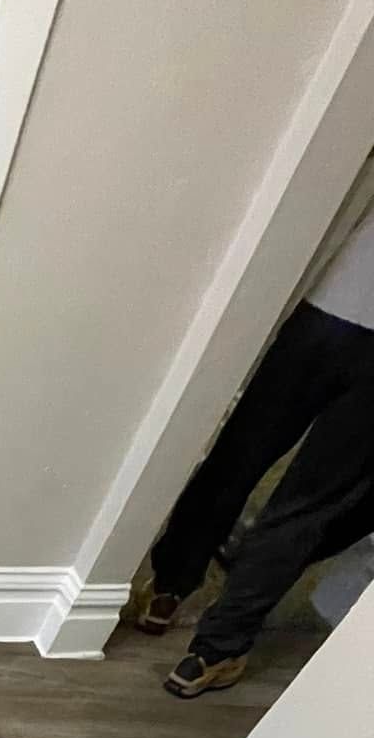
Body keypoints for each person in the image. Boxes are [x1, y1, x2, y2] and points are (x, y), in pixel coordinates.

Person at [137, 210, 374, 697]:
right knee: (306, 505)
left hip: (334, 300)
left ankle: (167, 589)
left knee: (239, 454)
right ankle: (214, 651)